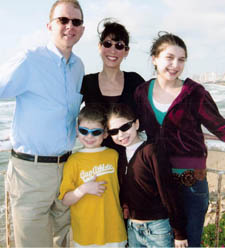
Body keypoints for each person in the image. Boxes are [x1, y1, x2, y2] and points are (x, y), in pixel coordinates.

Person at [0, 0, 85, 247]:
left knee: (64, 240)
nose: (70, 26)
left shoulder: (78, 66)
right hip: (30, 174)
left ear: (82, 28)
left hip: (67, 168)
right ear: (49, 26)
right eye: (63, 20)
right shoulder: (29, 60)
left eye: (76, 22)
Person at [134, 32, 225, 247]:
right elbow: (131, 127)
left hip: (191, 181)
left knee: (190, 241)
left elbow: (220, 127)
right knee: (162, 241)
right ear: (155, 58)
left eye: (181, 59)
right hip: (156, 179)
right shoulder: (141, 92)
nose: (175, 65)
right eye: (169, 57)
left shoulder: (194, 93)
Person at [106, 103, 188, 248]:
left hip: (158, 229)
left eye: (125, 127)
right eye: (113, 131)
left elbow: (168, 191)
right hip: (132, 229)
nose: (120, 135)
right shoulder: (119, 155)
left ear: (136, 124)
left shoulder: (152, 151)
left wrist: (179, 232)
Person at [58, 104, 127, 247]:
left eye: (96, 132)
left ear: (105, 133)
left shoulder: (114, 155)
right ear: (77, 131)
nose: (89, 136)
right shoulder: (73, 161)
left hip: (115, 231)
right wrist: (83, 189)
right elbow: (65, 200)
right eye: (84, 131)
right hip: (86, 235)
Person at [81, 18, 145, 111]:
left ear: (126, 51)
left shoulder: (135, 81)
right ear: (100, 46)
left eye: (119, 45)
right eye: (108, 44)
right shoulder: (87, 83)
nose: (113, 50)